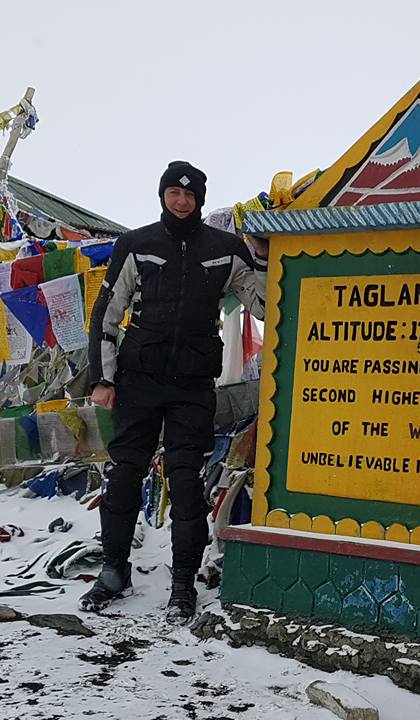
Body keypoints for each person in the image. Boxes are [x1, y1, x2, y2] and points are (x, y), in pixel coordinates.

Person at [80, 161, 268, 623]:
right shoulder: (136, 244)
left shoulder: (226, 248)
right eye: (173, 193)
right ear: (162, 195)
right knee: (124, 475)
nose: (181, 201)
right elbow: (106, 314)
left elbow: (264, 304)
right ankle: (113, 571)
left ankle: (183, 584)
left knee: (186, 483)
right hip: (138, 379)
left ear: (200, 200)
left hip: (192, 385)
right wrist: (102, 380)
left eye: (189, 195)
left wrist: (264, 256)